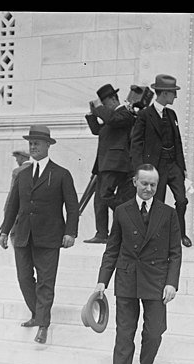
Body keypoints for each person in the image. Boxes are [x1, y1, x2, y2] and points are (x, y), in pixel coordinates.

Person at [94, 164, 182, 364]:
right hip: (127, 281)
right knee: (124, 338)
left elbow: (175, 252)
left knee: (154, 333)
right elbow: (112, 249)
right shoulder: (122, 211)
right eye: (144, 183)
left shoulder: (168, 213)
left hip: (155, 281)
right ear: (135, 182)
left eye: (153, 184)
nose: (148, 188)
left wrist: (171, 283)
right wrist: (103, 281)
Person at [0, 125, 79, 344]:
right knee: (24, 278)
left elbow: (72, 206)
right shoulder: (22, 175)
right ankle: (37, 314)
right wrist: (5, 232)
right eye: (31, 143)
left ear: (47, 146)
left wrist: (70, 232)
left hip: (49, 237)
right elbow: (13, 206)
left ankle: (42, 323)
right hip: (23, 235)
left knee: (45, 281)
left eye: (37, 143)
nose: (33, 146)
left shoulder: (61, 174)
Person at [130, 74, 193, 247]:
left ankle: (181, 234)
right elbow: (136, 144)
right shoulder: (144, 115)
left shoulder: (172, 114)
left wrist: (183, 168)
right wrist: (139, 170)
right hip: (155, 167)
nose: (176, 96)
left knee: (181, 200)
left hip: (173, 165)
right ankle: (152, 236)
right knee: (156, 202)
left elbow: (177, 142)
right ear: (164, 93)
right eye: (173, 92)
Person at [83, 83, 136, 244]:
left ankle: (126, 216)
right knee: (99, 199)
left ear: (113, 99)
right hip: (104, 164)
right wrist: (93, 114)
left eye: (105, 104)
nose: (104, 107)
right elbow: (97, 130)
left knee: (105, 196)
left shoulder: (125, 113)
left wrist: (100, 109)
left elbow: (112, 120)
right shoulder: (111, 117)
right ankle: (101, 233)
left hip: (116, 164)